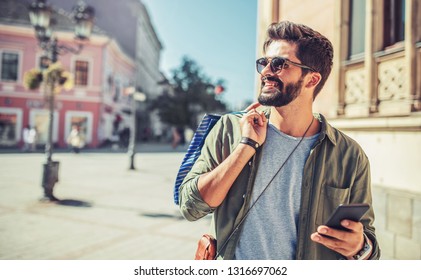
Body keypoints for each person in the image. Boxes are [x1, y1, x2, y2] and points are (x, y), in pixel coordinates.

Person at [178, 21, 380, 260]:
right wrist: (246, 146)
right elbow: (191, 208)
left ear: (312, 80)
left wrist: (360, 247)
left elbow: (369, 246)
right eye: (264, 63)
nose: (265, 72)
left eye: (279, 64)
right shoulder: (230, 129)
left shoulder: (348, 155)